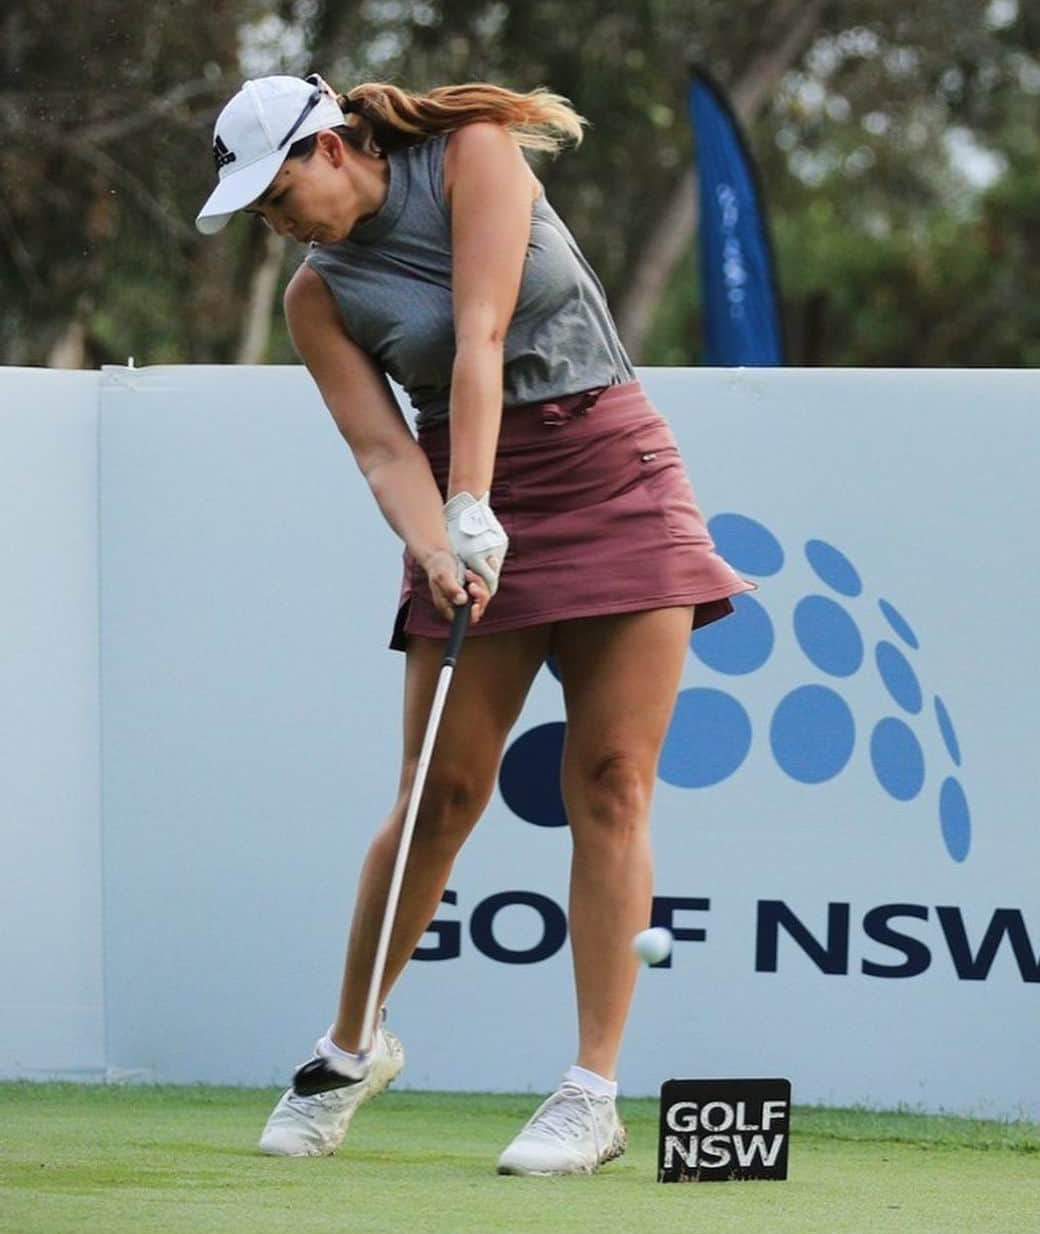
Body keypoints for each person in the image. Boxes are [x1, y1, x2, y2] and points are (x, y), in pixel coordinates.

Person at [196, 72, 755, 1175]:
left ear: (332, 146)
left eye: (278, 194)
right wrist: (437, 540)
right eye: (257, 211)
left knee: (610, 782)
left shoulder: (473, 153)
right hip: (459, 486)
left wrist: (472, 502)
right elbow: (378, 448)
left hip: (610, 470)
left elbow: (483, 330)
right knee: (438, 797)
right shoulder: (317, 297)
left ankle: (590, 1095)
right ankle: (350, 1048)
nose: (276, 222)